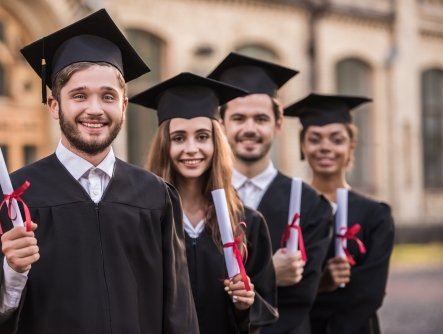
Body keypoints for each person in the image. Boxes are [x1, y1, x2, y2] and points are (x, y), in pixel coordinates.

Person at [0, 10, 198, 334]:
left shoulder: (156, 197)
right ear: (55, 105)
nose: (95, 109)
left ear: (124, 106)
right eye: (79, 95)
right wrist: (11, 269)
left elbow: (179, 312)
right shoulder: (10, 195)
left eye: (108, 96)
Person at [130, 72, 278, 334]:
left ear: (215, 142)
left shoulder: (247, 223)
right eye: (178, 138)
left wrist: (244, 305)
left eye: (201, 136)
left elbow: (265, 308)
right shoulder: (145, 221)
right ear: (165, 144)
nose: (191, 148)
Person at [209, 53, 333, 334]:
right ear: (221, 124)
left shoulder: (310, 204)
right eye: (239, 118)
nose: (249, 129)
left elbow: (302, 296)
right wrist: (271, 273)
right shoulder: (201, 200)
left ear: (278, 125)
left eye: (260, 118)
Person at [285, 93, 395, 334]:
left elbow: (370, 292)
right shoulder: (290, 212)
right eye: (315, 139)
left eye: (336, 139)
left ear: (351, 146)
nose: (325, 147)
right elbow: (281, 292)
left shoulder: (375, 215)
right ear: (303, 147)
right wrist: (319, 285)